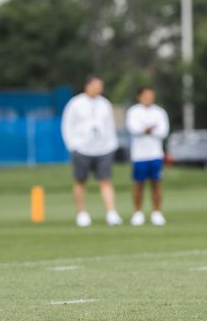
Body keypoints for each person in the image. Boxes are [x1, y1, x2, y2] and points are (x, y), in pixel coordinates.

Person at [60, 75, 121, 227]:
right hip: (82, 148)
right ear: (88, 86)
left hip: (103, 148)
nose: (99, 88)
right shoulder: (75, 103)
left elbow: (110, 125)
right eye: (96, 85)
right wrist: (72, 145)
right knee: (80, 181)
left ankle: (111, 212)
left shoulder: (104, 104)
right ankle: (81, 213)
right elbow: (67, 125)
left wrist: (112, 144)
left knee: (106, 180)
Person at [125, 86, 170, 226]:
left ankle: (157, 212)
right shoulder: (134, 111)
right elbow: (133, 129)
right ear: (140, 97)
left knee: (156, 183)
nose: (149, 98)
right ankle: (138, 212)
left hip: (155, 153)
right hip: (139, 155)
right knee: (138, 184)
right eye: (146, 95)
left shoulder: (159, 112)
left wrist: (147, 130)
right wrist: (147, 129)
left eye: (151, 95)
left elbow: (163, 131)